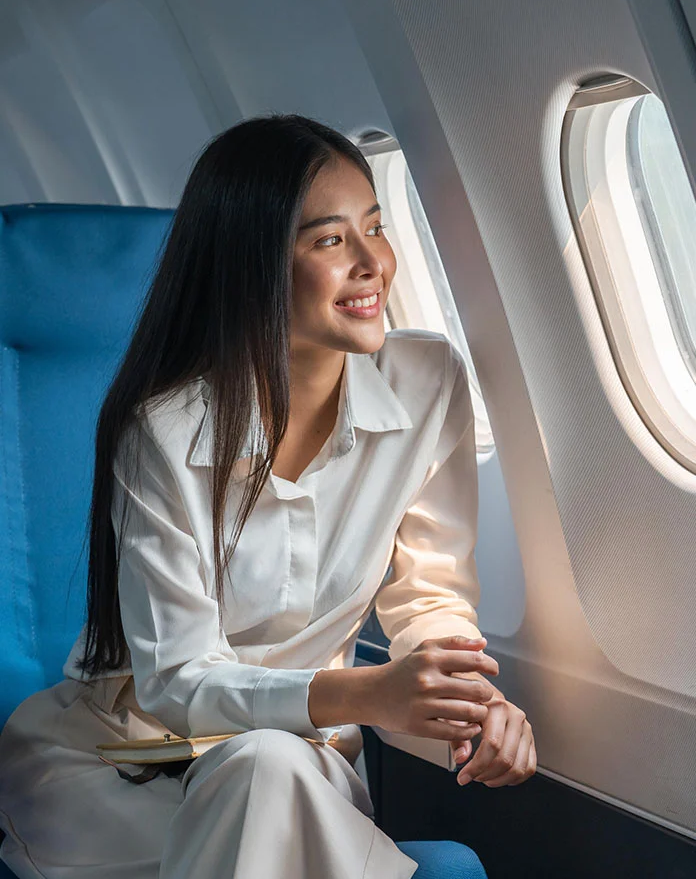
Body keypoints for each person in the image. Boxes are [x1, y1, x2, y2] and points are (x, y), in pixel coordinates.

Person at [0, 114, 536, 879]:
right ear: (254, 267)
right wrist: (368, 693)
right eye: (328, 241)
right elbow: (178, 682)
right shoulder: (162, 432)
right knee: (271, 798)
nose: (373, 262)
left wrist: (470, 703)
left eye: (374, 227)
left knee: (267, 775)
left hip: (295, 759)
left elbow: (430, 598)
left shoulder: (430, 385)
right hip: (118, 767)